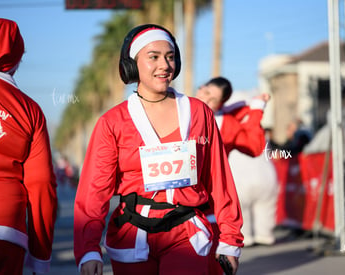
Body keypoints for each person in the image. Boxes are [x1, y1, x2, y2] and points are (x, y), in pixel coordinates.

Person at [73, 24, 243, 275]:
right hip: (131, 237)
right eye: (153, 57)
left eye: (170, 56)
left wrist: (230, 239)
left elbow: (220, 180)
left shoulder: (199, 113)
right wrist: (88, 248)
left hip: (187, 235)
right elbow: (94, 192)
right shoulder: (112, 122)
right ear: (133, 63)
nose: (165, 65)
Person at [0, 18, 58, 274]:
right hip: (5, 230)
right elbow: (41, 186)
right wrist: (41, 258)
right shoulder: (30, 110)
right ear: (17, 58)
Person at [196, 77, 277, 274]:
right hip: (172, 206)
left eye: (213, 99)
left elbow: (254, 147)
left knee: (210, 265)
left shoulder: (225, 123)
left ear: (220, 105)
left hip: (208, 205)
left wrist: (256, 109)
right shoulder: (179, 109)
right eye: (205, 92)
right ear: (200, 88)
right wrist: (243, 106)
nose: (206, 99)